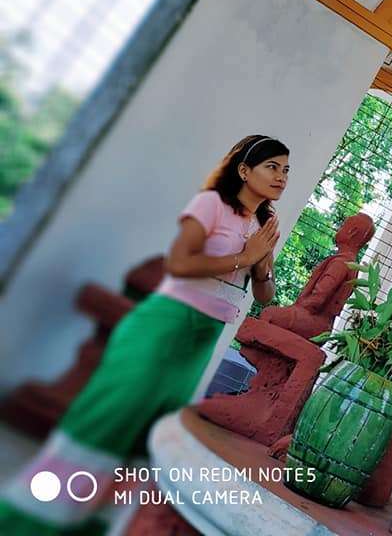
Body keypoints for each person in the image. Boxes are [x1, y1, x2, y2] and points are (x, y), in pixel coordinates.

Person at [0, 135, 290, 535]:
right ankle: (25, 524)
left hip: (199, 342)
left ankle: (85, 528)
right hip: (163, 326)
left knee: (139, 443)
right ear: (244, 169)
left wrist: (262, 263)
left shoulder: (264, 226)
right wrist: (245, 255)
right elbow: (179, 261)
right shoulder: (212, 204)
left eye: (286, 169)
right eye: (272, 166)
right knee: (105, 424)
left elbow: (264, 293)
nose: (281, 176)